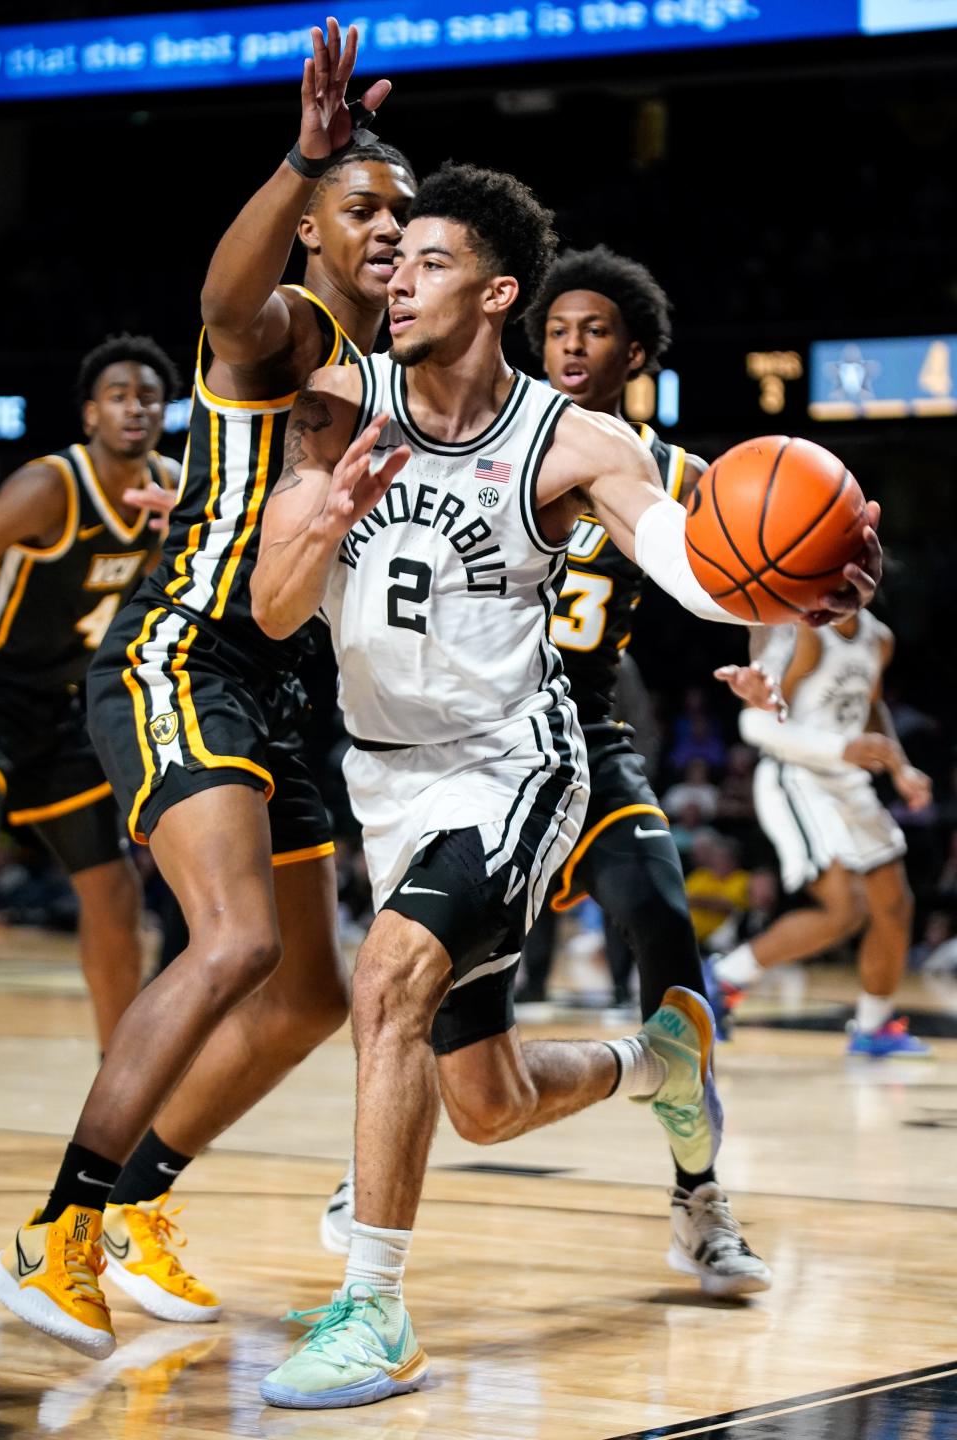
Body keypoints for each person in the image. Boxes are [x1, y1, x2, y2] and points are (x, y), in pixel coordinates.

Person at [249, 162, 881, 1409]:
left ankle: (375, 1310)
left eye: (428, 261)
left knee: (386, 983)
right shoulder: (334, 402)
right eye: (392, 259)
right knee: (481, 1101)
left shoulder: (571, 438)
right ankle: (660, 1067)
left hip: (514, 764)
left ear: (495, 293)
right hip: (385, 779)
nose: (396, 275)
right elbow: (275, 612)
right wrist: (329, 514)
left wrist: (783, 592)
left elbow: (692, 564)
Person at [0, 21, 413, 1359]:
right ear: (309, 228)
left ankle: (136, 1204)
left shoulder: (387, 373)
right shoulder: (282, 335)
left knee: (303, 994)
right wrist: (305, 157)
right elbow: (226, 305)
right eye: (363, 209)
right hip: (184, 655)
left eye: (404, 216)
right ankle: (56, 1234)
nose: (388, 232)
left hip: (286, 687)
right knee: (230, 943)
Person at [493, 244, 770, 1295]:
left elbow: (754, 580)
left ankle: (700, 1203)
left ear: (635, 352)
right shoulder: (490, 439)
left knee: (665, 929)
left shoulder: (683, 476)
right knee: (443, 977)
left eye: (595, 329)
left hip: (589, 730)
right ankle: (373, 1172)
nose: (570, 341)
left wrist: (781, 648)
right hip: (477, 742)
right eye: (557, 326)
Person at [0, 335, 179, 1050]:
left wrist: (176, 540)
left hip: (59, 705)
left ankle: (119, 1069)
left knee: (111, 888)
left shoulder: (168, 489)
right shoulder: (49, 487)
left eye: (148, 397)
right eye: (118, 397)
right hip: (0, 683)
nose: (135, 408)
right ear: (89, 416)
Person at [711, 615, 932, 1055]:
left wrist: (900, 766)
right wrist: (841, 748)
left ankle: (873, 1027)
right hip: (798, 777)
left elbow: (872, 705)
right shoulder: (806, 633)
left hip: (847, 779)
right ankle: (721, 979)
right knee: (844, 908)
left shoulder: (879, 638)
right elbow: (755, 726)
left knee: (894, 904)